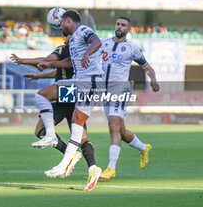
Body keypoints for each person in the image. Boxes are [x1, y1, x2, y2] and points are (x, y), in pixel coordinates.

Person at [9, 37, 97, 179]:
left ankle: (69, 152)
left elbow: (46, 60)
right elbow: (58, 70)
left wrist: (22, 61)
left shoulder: (64, 49)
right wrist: (39, 76)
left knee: (40, 129)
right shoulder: (83, 51)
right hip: (78, 94)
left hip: (65, 95)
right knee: (81, 137)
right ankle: (93, 167)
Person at [35, 10, 103, 191]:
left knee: (77, 124)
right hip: (77, 82)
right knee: (43, 94)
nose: (59, 27)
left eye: (61, 24)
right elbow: (70, 63)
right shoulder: (72, 39)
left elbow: (97, 42)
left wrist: (87, 54)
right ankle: (51, 137)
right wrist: (50, 64)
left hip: (91, 82)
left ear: (68, 20)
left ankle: (64, 163)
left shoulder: (83, 31)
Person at [98, 17, 160, 180]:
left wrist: (153, 80)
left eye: (123, 25)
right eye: (118, 24)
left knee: (113, 126)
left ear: (128, 29)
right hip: (105, 91)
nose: (119, 27)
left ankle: (111, 168)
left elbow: (148, 67)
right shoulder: (103, 43)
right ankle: (144, 148)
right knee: (121, 132)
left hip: (121, 89)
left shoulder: (132, 49)